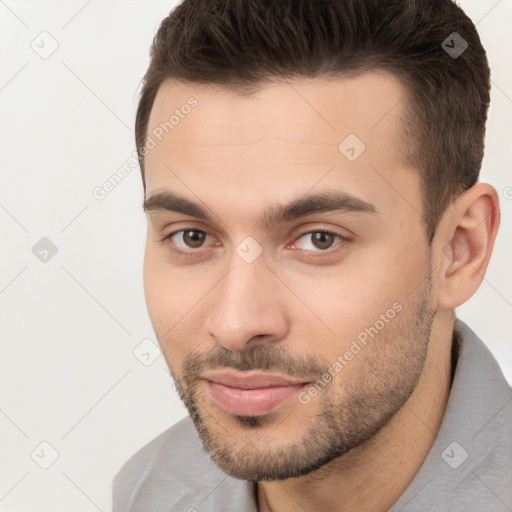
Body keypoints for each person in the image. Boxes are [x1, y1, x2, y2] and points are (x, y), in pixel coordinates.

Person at [113, 0, 511, 510]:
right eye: (192, 236)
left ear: (460, 250)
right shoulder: (148, 491)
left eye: (319, 239)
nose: (235, 324)